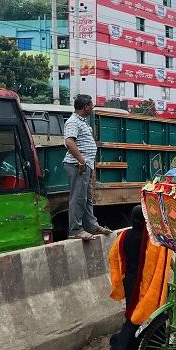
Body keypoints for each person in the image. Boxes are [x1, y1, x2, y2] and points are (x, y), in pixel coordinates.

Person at [108, 205, 171, 350]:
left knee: (133, 311)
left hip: (129, 280)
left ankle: (143, 346)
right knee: (144, 314)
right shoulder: (152, 238)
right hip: (144, 280)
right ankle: (129, 349)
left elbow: (113, 256)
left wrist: (119, 276)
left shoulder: (124, 235)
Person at [63, 95, 111, 241]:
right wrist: (81, 160)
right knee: (78, 198)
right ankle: (75, 230)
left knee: (86, 198)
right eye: (91, 104)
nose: (93, 107)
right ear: (86, 106)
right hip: (77, 165)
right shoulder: (73, 122)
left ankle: (91, 226)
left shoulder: (82, 122)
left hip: (85, 165)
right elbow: (69, 142)